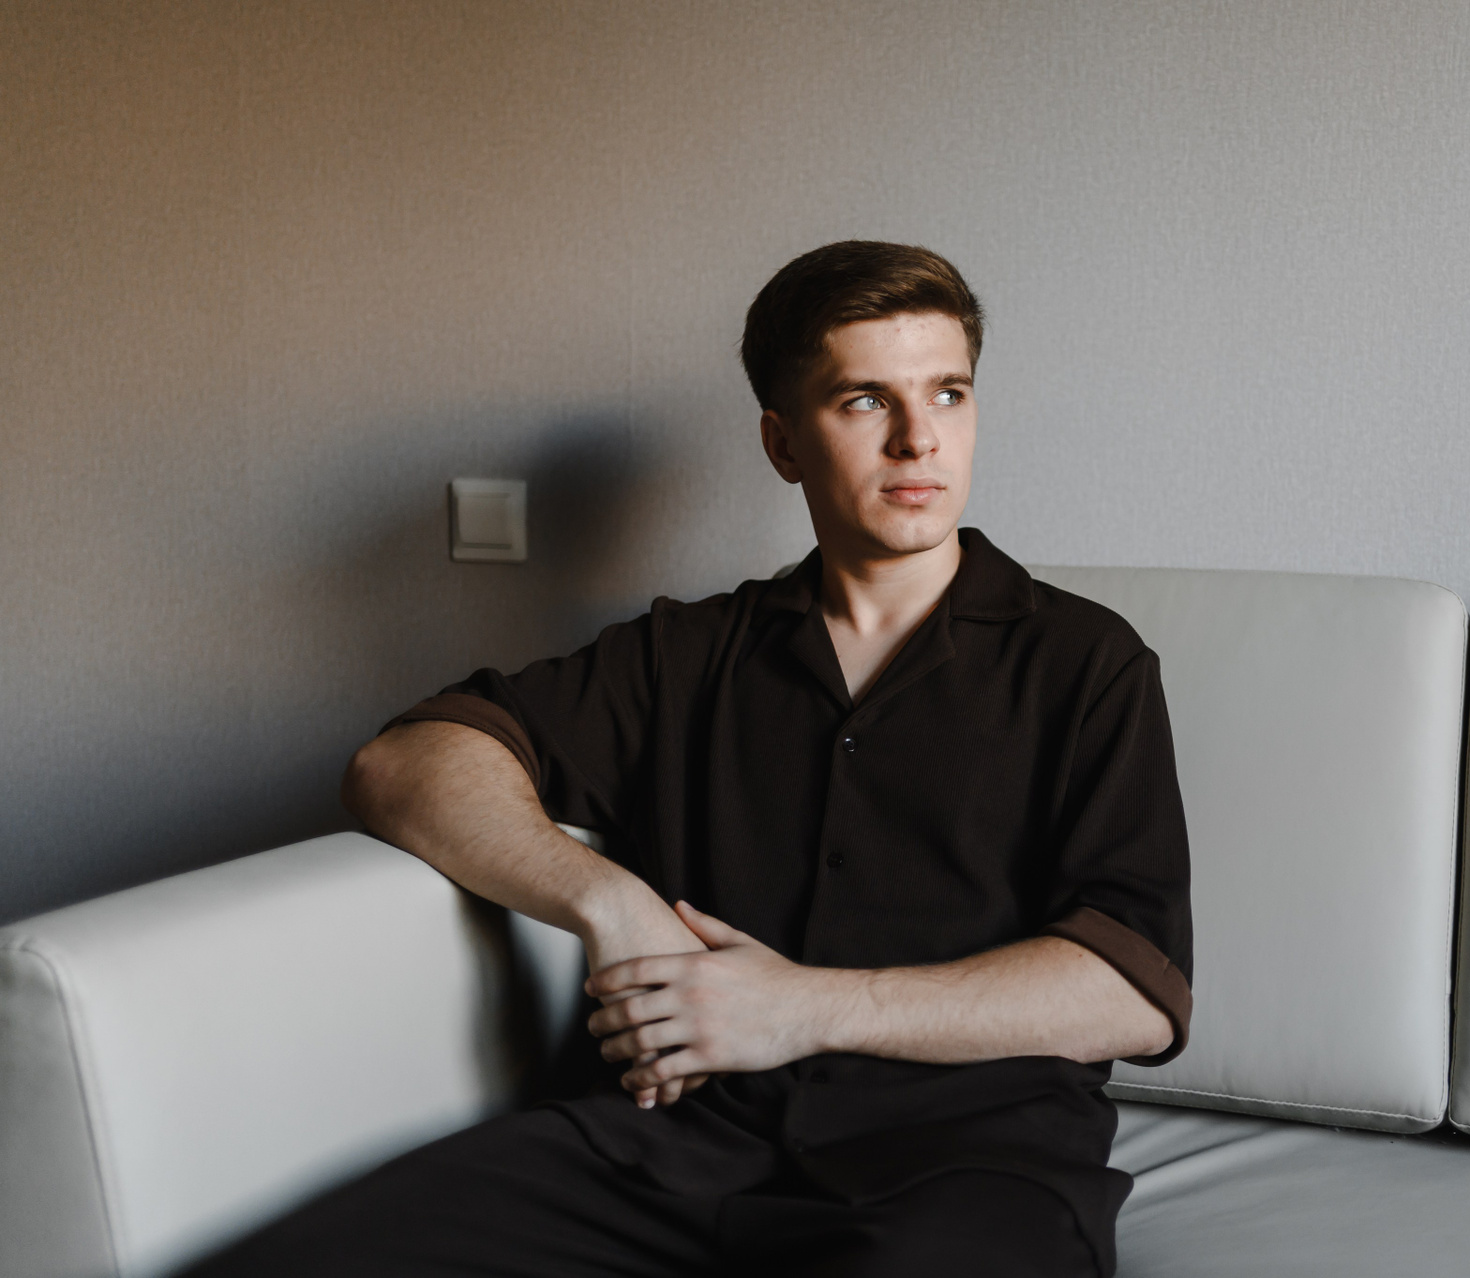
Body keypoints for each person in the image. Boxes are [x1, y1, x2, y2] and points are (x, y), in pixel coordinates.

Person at [188, 241, 1192, 1277]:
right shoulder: (685, 652)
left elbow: (1131, 993)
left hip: (964, 1163)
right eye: (864, 401)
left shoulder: (1087, 661)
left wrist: (797, 1009)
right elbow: (403, 762)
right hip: (669, 1141)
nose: (918, 438)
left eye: (948, 392)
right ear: (783, 442)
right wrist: (607, 903)